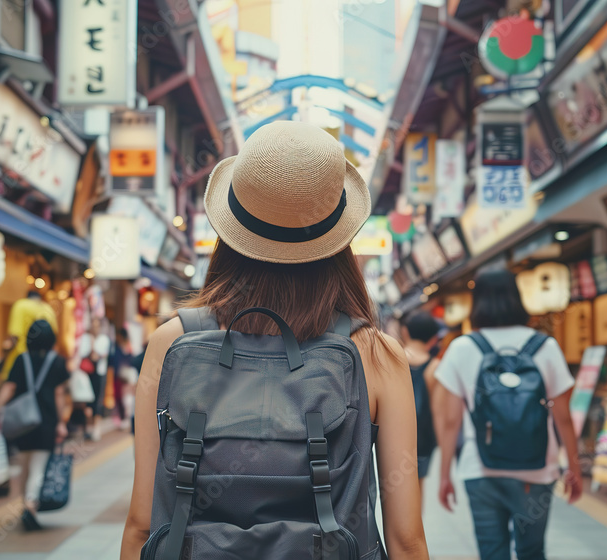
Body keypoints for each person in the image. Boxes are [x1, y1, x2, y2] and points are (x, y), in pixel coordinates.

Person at [120, 122, 428, 559]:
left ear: (231, 230)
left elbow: (141, 523)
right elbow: (406, 540)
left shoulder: (171, 342)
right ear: (339, 237)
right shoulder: (376, 354)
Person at [432, 269, 582, 560]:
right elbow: (563, 417)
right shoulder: (546, 346)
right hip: (537, 469)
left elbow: (450, 421)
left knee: (492, 553)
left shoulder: (462, 348)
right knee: (532, 552)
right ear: (517, 298)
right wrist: (573, 467)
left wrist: (444, 474)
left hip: (480, 469)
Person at [0, 319, 70, 531]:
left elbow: (9, 387)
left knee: (23, 466)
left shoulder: (21, 359)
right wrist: (61, 423)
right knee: (38, 467)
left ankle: (24, 504)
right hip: (46, 423)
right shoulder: (57, 362)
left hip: (22, 423)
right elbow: (58, 394)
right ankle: (30, 505)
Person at [401, 311, 441, 504]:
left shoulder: (393, 360)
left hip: (394, 435)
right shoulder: (434, 366)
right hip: (423, 441)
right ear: (434, 339)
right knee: (417, 491)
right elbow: (437, 411)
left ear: (405, 332)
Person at [1, 291, 58, 381]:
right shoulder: (48, 308)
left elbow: (15, 336)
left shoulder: (21, 305)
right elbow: (53, 336)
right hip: (45, 362)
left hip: (22, 357)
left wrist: (4, 351)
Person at [76, 317, 112, 441]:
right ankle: (88, 427)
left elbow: (99, 355)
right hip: (87, 373)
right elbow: (83, 353)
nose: (95, 328)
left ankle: (96, 427)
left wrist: (93, 350)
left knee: (98, 400)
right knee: (87, 401)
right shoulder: (85, 338)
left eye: (97, 325)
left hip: (100, 373)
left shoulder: (104, 339)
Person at [108, 327, 133, 429]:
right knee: (119, 398)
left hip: (126, 378)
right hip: (118, 377)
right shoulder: (116, 348)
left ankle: (125, 418)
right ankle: (122, 418)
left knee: (126, 399)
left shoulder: (127, 347)